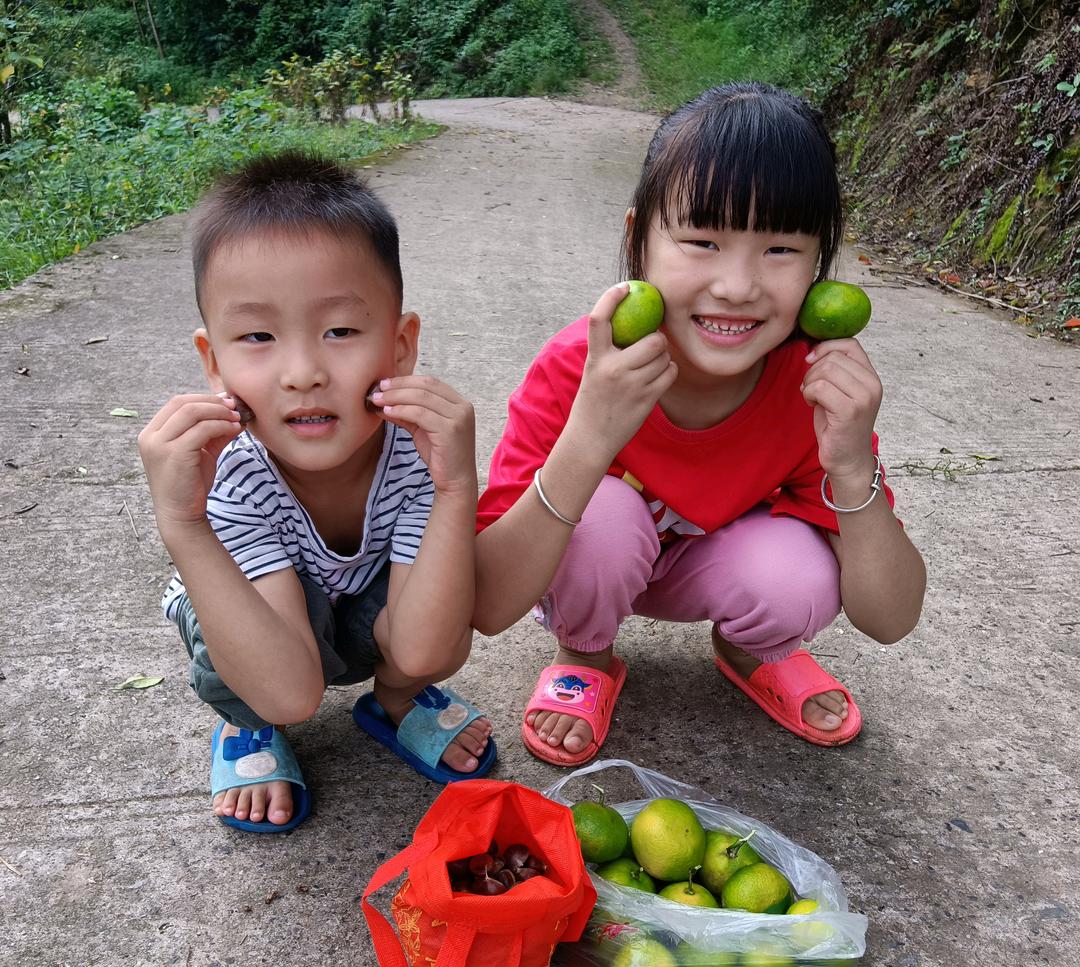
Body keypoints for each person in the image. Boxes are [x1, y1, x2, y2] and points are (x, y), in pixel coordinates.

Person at [473, 83, 926, 765]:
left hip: (711, 567)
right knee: (598, 509)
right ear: (639, 243)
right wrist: (591, 434)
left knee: (798, 574)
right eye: (702, 240)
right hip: (596, 564)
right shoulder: (578, 368)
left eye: (780, 250)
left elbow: (890, 618)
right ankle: (585, 653)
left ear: (820, 265)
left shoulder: (815, 384)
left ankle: (750, 650)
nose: (738, 286)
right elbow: (487, 603)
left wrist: (853, 464)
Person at [139, 152, 494, 833]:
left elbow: (427, 644)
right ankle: (246, 727)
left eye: (339, 331)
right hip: (260, 637)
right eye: (258, 337)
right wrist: (183, 527)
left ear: (399, 345)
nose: (303, 372)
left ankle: (393, 703)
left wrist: (456, 488)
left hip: (347, 604)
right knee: (258, 678)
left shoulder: (419, 452)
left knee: (444, 590)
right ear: (213, 361)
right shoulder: (229, 476)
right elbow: (292, 691)